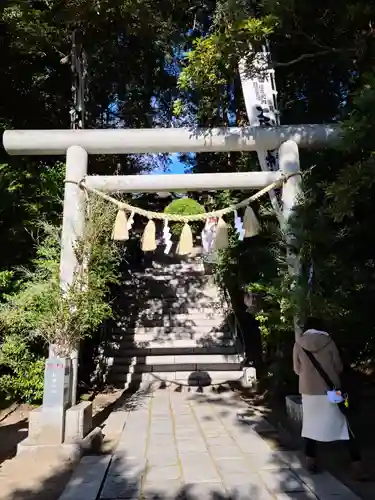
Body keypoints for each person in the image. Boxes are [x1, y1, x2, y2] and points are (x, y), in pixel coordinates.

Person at [293, 317, 366, 480]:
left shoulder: (299, 344)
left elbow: (297, 369)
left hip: (308, 392)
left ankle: (310, 461)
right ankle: (357, 464)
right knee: (344, 424)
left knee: (310, 425)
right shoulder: (329, 341)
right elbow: (338, 366)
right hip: (332, 390)